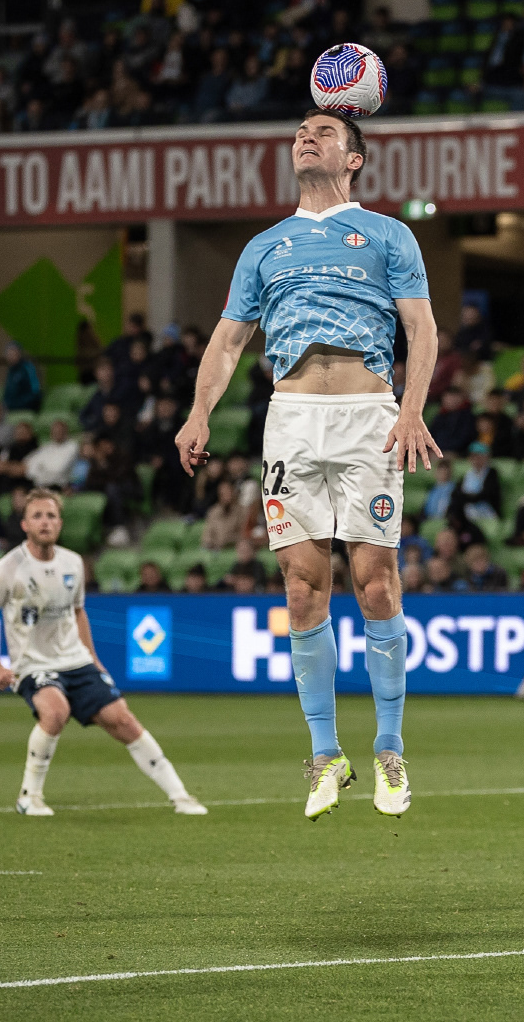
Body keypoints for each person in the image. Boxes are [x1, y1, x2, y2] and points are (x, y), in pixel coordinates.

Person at [174, 108, 438, 822]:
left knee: (375, 583)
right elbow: (229, 342)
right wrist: (199, 412)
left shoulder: (388, 234)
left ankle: (389, 748)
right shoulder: (264, 246)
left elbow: (420, 327)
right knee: (300, 588)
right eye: (299, 132)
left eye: (322, 133)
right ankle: (326, 755)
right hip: (290, 420)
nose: (305, 138)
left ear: (354, 158)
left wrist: (411, 408)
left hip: (368, 416)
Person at [0, 488, 206, 818]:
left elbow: (78, 612)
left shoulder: (73, 563)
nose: (45, 522)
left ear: (60, 523)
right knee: (55, 712)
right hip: (33, 664)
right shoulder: (7, 568)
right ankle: (29, 796)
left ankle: (180, 796)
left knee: (123, 720)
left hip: (75, 660)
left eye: (51, 516)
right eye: (37, 516)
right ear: (24, 524)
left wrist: (93, 659)